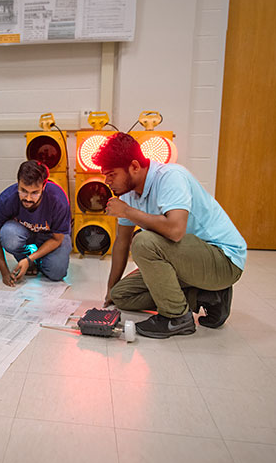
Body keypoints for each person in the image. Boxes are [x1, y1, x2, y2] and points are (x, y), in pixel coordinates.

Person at [93, 132, 246, 339]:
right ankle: (207, 296)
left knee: (144, 242)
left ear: (135, 166)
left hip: (223, 260)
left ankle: (177, 317)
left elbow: (175, 231)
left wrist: (128, 212)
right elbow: (121, 242)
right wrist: (110, 289)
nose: (107, 181)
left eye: (112, 174)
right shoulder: (128, 193)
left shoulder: (170, 177)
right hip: (188, 260)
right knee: (122, 296)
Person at [0, 160, 72, 286]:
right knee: (8, 234)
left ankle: (37, 260)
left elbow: (57, 239)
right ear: (18, 184)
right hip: (23, 233)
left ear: (43, 187)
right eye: (23, 190)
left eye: (34, 193)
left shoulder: (58, 200)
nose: (28, 198)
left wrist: (30, 259)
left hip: (51, 237)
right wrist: (5, 273)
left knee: (56, 273)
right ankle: (28, 261)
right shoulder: (6, 198)